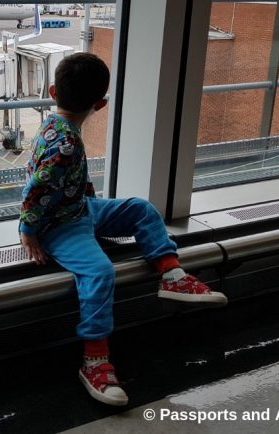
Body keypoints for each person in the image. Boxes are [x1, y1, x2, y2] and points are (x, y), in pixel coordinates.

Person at [18, 53, 228, 407]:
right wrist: (29, 230)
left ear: (53, 91)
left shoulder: (59, 129)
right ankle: (95, 360)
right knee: (100, 272)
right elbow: (37, 189)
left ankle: (170, 274)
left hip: (80, 210)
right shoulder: (63, 143)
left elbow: (61, 183)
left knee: (139, 208)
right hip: (60, 225)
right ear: (101, 104)